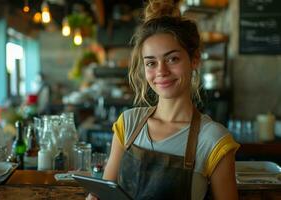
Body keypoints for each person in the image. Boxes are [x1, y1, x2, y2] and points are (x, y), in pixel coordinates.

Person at [87, 0, 240, 199]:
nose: (161, 71)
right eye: (151, 63)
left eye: (172, 59)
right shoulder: (128, 124)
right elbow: (102, 195)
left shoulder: (213, 140)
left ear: (194, 59)